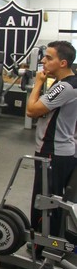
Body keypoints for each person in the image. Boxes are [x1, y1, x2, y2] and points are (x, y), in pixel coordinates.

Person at [26, 41, 77, 257]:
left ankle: (42, 250)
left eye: (49, 58)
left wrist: (38, 82)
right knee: (54, 201)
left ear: (63, 62)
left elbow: (32, 110)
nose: (44, 61)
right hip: (63, 152)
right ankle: (50, 245)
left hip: (52, 153)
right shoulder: (69, 83)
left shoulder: (64, 86)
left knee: (44, 202)